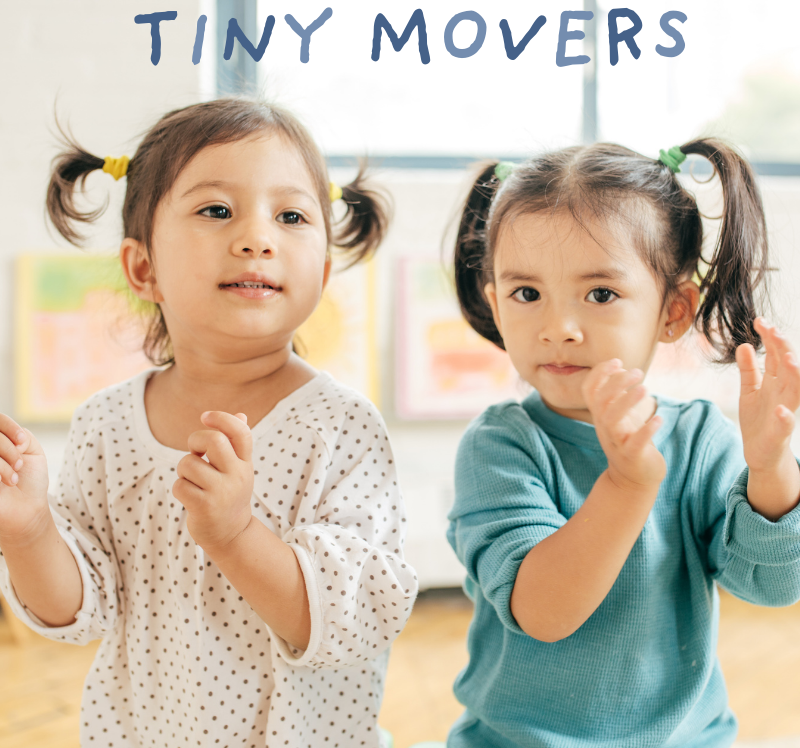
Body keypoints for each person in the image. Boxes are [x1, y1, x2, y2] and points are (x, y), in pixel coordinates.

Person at [0, 98, 417, 748]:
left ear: (324, 272)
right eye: (216, 210)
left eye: (291, 216)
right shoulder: (106, 426)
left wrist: (235, 534)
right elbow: (79, 613)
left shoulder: (340, 428)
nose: (257, 237)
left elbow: (352, 620)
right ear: (144, 269)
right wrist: (27, 530)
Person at [446, 140, 800, 747]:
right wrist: (627, 483)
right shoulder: (501, 447)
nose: (558, 328)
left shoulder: (697, 439)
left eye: (601, 294)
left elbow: (770, 586)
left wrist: (770, 471)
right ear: (494, 305)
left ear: (674, 311)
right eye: (526, 294)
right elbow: (545, 613)